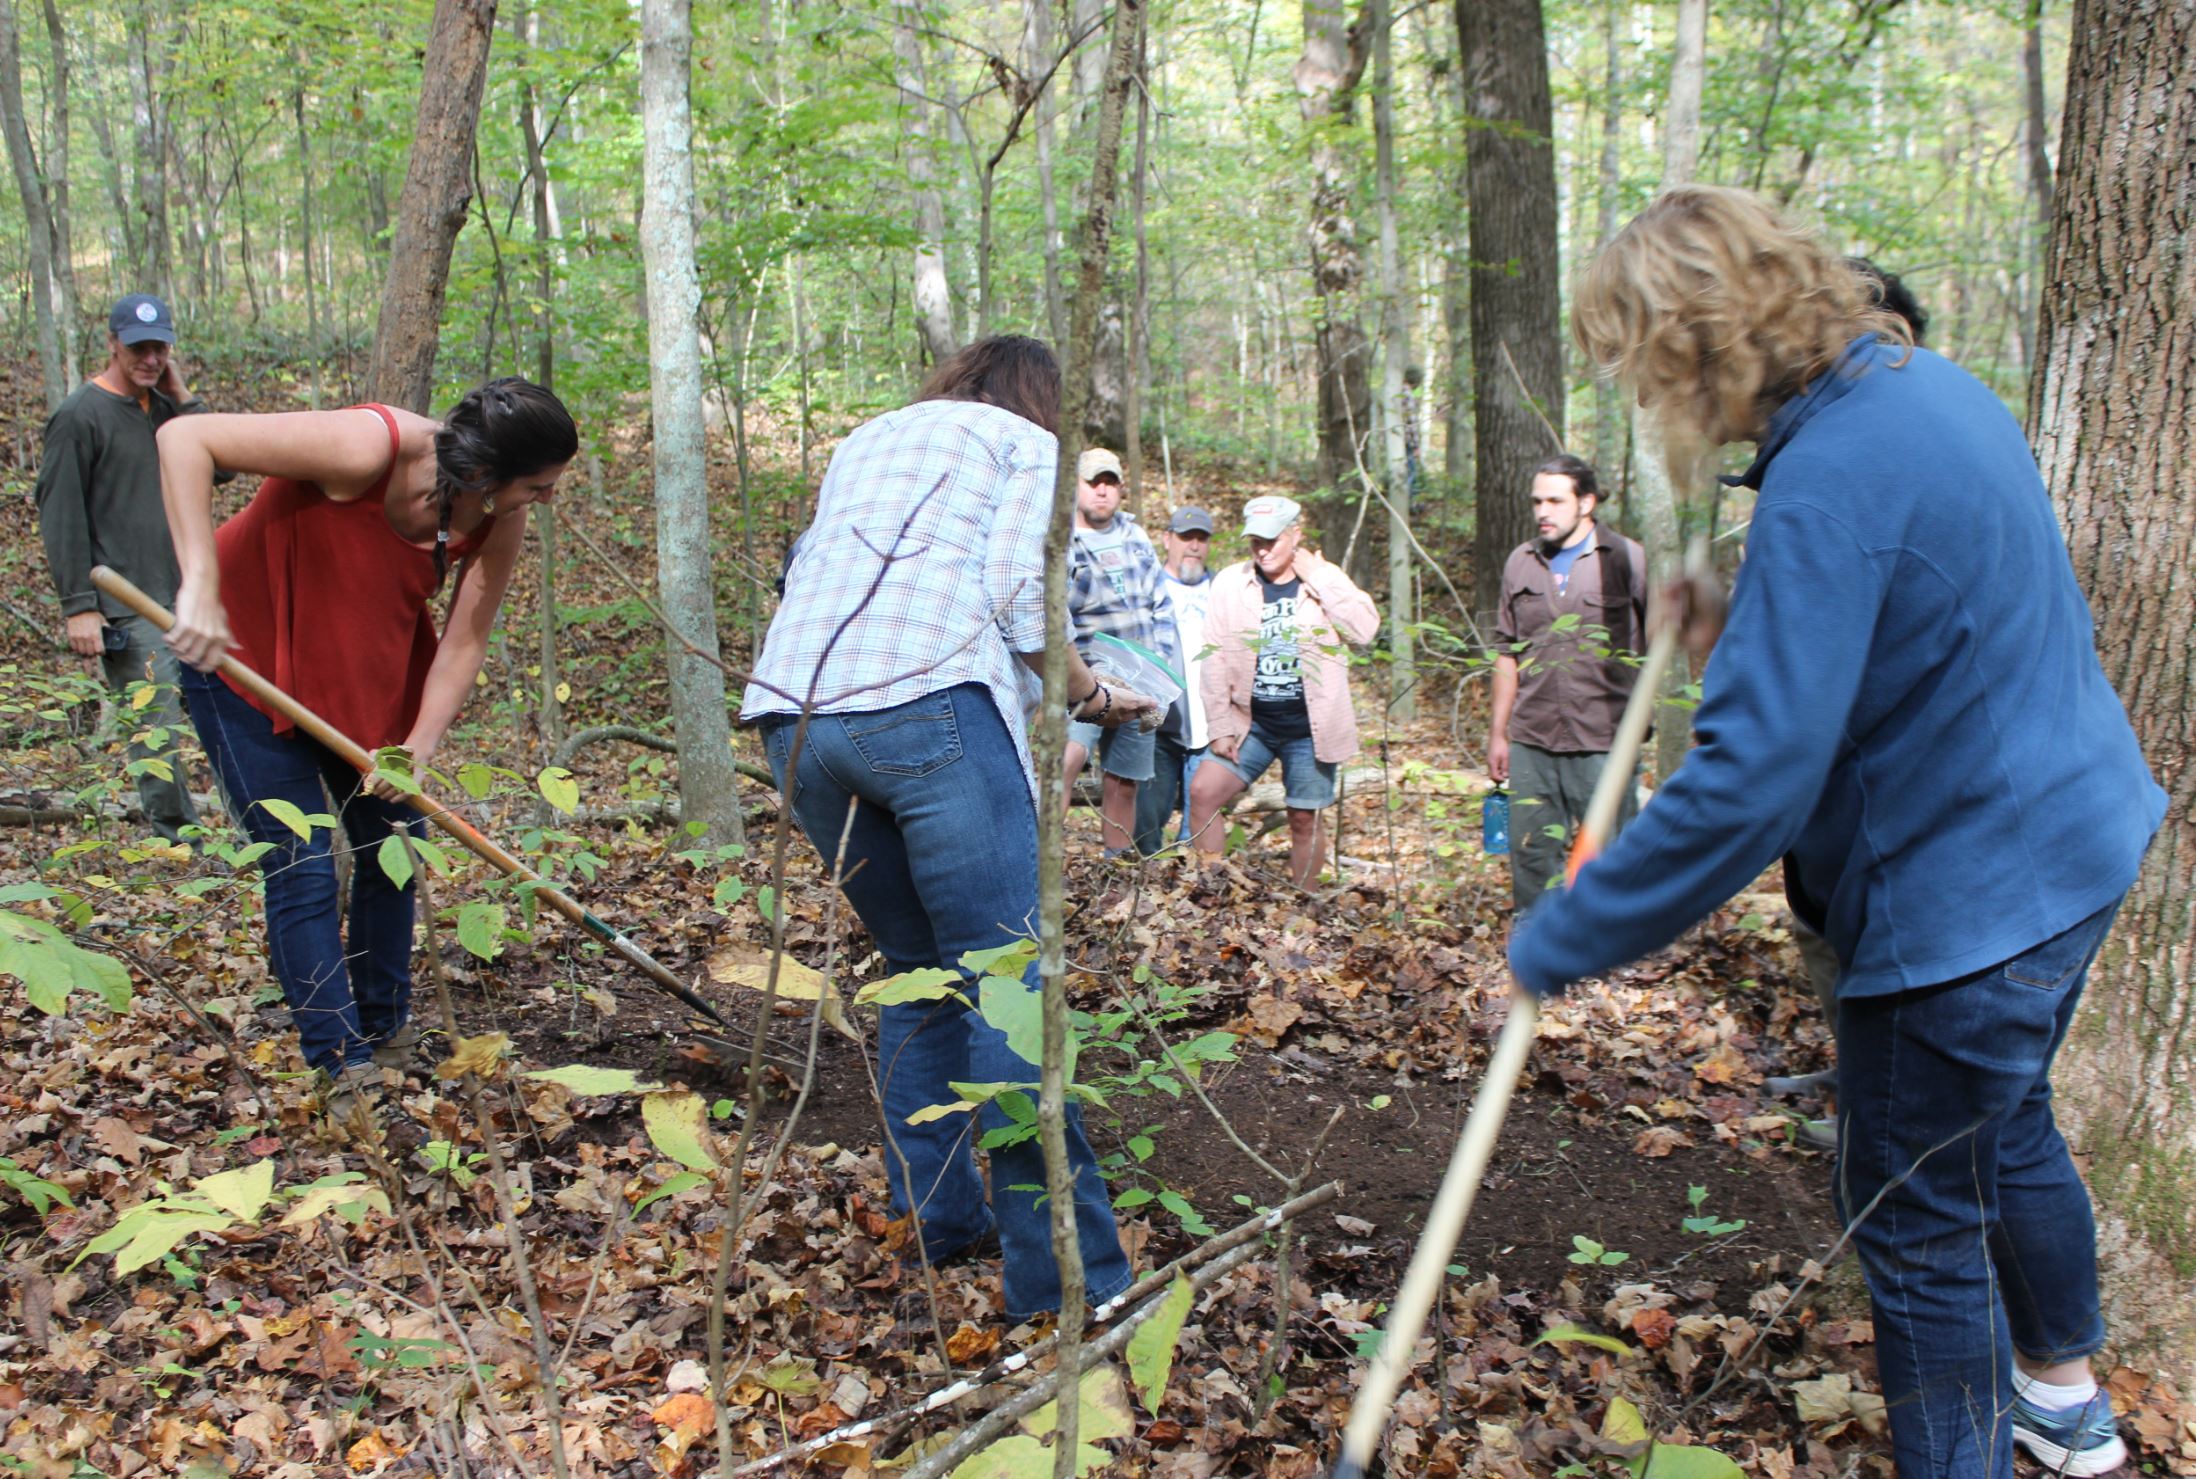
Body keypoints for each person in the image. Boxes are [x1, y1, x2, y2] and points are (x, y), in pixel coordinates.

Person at [1513, 185, 2162, 1479]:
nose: (1655, 401)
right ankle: (2067, 1398)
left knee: (1915, 1223)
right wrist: (1740, 621)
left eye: (1652, 370)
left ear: (1700, 347)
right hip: (2075, 848)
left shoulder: (1828, 476)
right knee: (2012, 1118)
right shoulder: (1930, 393)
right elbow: (1915, 619)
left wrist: (1560, 935)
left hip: (1966, 904)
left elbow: (1750, 781)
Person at [740, 335, 1151, 1322]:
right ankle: (1068, 1288)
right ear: (1042, 400)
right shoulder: (1027, 448)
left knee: (918, 970)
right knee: (1008, 983)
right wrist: (1094, 695)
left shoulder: (869, 441)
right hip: (925, 705)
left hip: (795, 719)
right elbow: (1020, 597)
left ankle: (935, 1214)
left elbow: (807, 570)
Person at [157, 379, 578, 1126]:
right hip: (245, 662)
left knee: (395, 844)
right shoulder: (369, 446)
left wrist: (418, 745)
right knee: (301, 861)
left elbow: (464, 639)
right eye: (538, 485)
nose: (546, 499)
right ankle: (341, 1066)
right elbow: (184, 439)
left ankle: (384, 1031)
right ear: (487, 469)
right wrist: (199, 583)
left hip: (362, 677)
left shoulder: (496, 518)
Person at [35, 294, 214, 843]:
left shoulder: (162, 410)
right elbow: (60, 512)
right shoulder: (78, 416)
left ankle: (241, 828)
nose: (150, 358)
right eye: (139, 347)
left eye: (160, 347)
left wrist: (182, 397)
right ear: (112, 343)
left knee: (222, 714)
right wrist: (80, 608)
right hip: (126, 603)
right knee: (154, 729)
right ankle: (177, 839)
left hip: (187, 593)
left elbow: (223, 466)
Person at [1188, 495, 1379, 886]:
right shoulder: (1231, 582)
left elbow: (1364, 630)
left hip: (1311, 728)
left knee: (1304, 816)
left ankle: (1303, 908)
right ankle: (1210, 894)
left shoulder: (1324, 580)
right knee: (1204, 792)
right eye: (1255, 539)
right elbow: (1213, 657)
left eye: (1272, 539)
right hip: (1250, 724)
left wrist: (1320, 576)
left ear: (1296, 535)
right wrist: (1220, 724)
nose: (1262, 548)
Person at [1487, 453, 1649, 907]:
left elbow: (1659, 642)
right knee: (1532, 852)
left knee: (1609, 853)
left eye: (1556, 501)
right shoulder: (1521, 562)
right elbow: (1507, 652)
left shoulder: (1625, 559)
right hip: (1532, 737)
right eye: (1537, 501)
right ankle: (1538, 943)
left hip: (1604, 738)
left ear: (1586, 503)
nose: (1543, 511)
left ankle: (1611, 945)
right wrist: (1498, 734)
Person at [1062, 447, 1177, 856]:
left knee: (1124, 780)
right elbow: (1054, 614)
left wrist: (1160, 669)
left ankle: (1115, 869)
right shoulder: (1063, 541)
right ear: (1076, 486)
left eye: (1109, 483)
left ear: (1121, 490)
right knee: (1066, 761)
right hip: (1083, 674)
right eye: (1093, 482)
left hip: (1140, 675)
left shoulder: (1136, 536)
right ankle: (1044, 861)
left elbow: (1161, 605)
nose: (1102, 491)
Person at [1133, 506, 1215, 855]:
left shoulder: (1223, 589)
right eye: (1186, 537)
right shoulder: (1149, 588)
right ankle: (1140, 887)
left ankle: (1193, 893)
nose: (1194, 546)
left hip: (1211, 727)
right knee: (1148, 820)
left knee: (1199, 824)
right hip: (1159, 724)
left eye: (1201, 538)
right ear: (1167, 539)